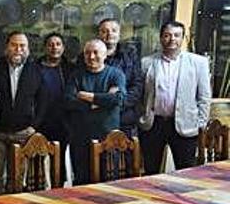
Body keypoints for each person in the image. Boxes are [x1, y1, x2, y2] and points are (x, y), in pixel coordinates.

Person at [139, 21, 212, 174]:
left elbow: (204, 97)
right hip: (153, 125)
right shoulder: (146, 63)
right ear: (161, 38)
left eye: (176, 35)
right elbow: (140, 94)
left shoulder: (198, 63)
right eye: (167, 35)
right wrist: (141, 116)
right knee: (150, 171)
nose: (172, 39)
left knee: (186, 172)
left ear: (182, 38)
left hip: (185, 125)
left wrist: (200, 122)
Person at [0, 31, 46, 191]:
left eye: (22, 46)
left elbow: (43, 102)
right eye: (14, 45)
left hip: (23, 132)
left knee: (18, 177)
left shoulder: (36, 70)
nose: (18, 49)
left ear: (28, 49)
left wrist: (34, 126)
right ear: (7, 47)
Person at [65, 39, 127, 185]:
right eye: (87, 53)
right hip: (81, 139)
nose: (91, 57)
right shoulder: (76, 75)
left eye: (95, 52)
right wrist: (102, 101)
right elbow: (68, 101)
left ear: (105, 55)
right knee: (81, 183)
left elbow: (117, 99)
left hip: (108, 139)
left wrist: (88, 96)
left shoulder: (116, 74)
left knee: (110, 183)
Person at [78, 18, 142, 137]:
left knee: (121, 155)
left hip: (124, 119)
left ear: (119, 34)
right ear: (99, 34)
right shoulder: (86, 57)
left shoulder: (130, 56)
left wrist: (115, 104)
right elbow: (81, 87)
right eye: (104, 31)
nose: (109, 34)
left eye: (114, 30)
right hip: (92, 119)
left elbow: (136, 86)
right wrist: (108, 99)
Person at [37, 32, 74, 182]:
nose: (54, 48)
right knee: (38, 158)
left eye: (58, 44)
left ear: (63, 48)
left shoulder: (70, 68)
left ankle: (59, 186)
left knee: (59, 160)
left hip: (63, 120)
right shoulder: (35, 67)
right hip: (40, 120)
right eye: (50, 44)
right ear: (45, 47)